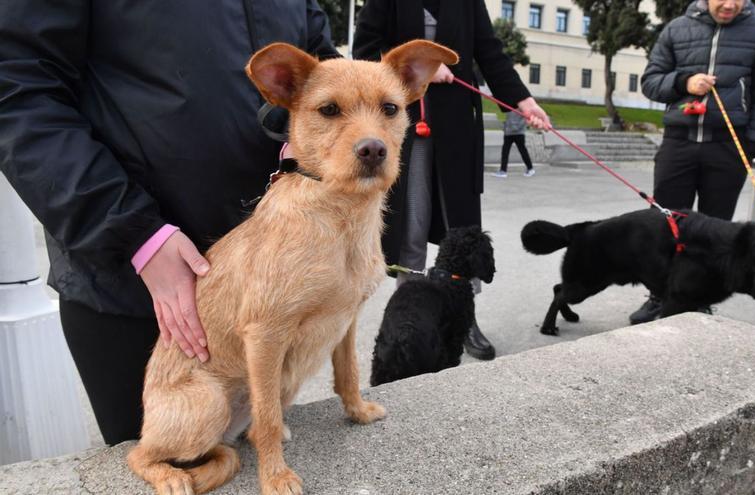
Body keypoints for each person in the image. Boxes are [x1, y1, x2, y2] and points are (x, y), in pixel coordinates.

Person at [0, 0, 339, 445]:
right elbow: (17, 87)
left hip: (267, 273)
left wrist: (311, 138)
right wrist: (134, 233)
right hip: (137, 287)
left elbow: (316, 56)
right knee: (175, 465)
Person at [353, 0, 551, 361]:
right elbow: (364, 51)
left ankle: (463, 317)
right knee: (411, 227)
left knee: (461, 229)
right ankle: (408, 318)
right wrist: (416, 68)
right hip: (406, 126)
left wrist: (522, 101)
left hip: (457, 126)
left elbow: (490, 52)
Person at [632, 0, 755, 324]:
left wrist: (753, 143)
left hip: (727, 145)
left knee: (715, 232)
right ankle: (659, 295)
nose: (729, 4)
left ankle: (698, 299)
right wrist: (684, 82)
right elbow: (650, 81)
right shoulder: (675, 29)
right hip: (678, 143)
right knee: (665, 224)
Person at [493, 111, 536, 178]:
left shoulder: (522, 106)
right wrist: (505, 126)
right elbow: (508, 118)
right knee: (505, 152)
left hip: (518, 133)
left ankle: (530, 168)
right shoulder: (509, 105)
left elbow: (526, 118)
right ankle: (503, 171)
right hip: (508, 132)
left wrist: (517, 128)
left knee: (522, 151)